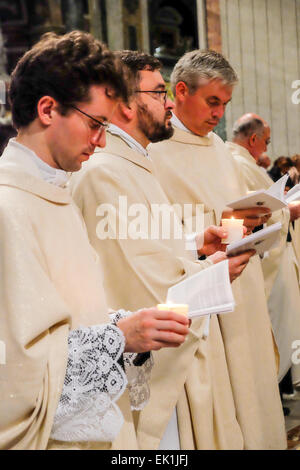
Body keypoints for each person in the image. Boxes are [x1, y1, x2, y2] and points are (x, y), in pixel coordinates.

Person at [0, 32, 191, 451]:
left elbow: (67, 316)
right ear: (48, 109)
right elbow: (13, 367)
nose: (102, 141)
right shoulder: (8, 208)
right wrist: (117, 337)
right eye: (95, 124)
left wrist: (122, 323)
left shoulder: (57, 193)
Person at [69, 51, 255, 450]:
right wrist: (210, 272)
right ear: (122, 102)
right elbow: (136, 279)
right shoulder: (104, 172)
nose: (169, 102)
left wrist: (196, 247)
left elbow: (146, 248)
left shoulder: (133, 163)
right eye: (158, 92)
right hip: (146, 361)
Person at [149, 50, 286, 449]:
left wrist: (252, 218)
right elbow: (157, 234)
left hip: (242, 289)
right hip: (204, 290)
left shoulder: (218, 148)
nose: (219, 114)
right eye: (212, 102)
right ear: (179, 91)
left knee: (251, 386)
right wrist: (215, 224)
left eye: (225, 105)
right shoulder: (155, 150)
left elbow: (227, 207)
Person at [226, 113, 300, 388]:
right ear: (254, 139)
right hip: (257, 258)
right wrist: (287, 211)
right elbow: (253, 212)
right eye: (266, 142)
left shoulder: (241, 163)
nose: (267, 149)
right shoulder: (239, 164)